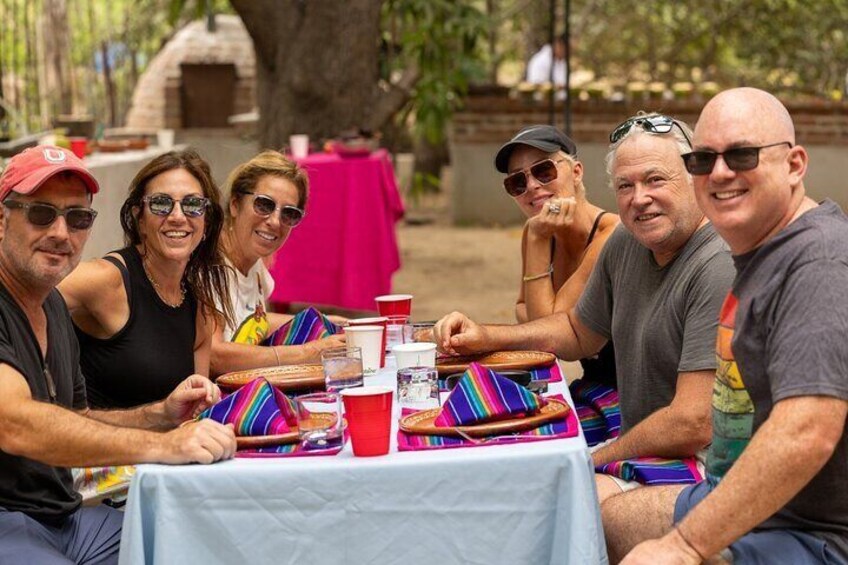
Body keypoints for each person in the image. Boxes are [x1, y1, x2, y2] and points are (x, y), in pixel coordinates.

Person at [434, 114, 734, 502]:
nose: (639, 197)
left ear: (696, 178)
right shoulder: (629, 239)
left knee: (557, 497)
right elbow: (576, 333)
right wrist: (485, 337)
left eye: (655, 179)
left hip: (709, 464)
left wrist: (594, 456)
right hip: (646, 439)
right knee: (502, 458)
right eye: (626, 185)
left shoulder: (718, 263)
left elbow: (694, 423)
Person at [607, 89, 848, 564]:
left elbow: (808, 431)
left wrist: (684, 546)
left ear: (795, 165)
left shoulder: (819, 262)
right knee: (602, 516)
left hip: (814, 532)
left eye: (742, 155)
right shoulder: (761, 250)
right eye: (703, 159)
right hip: (743, 495)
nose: (720, 172)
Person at [0, 146, 235, 564]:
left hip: (66, 517)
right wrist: (162, 445)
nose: (60, 232)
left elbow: (80, 417)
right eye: (40, 213)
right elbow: (13, 423)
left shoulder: (51, 304)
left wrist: (161, 414)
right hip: (10, 519)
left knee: (200, 544)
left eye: (77, 218)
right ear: (2, 219)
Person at [58, 149, 233, 407]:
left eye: (193, 205)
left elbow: (195, 411)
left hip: (166, 444)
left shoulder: (200, 312)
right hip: (95, 444)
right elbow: (21, 291)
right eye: (161, 203)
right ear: (140, 219)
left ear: (206, 222)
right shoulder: (108, 280)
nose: (177, 216)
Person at [495, 125, 619, 386]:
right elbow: (521, 309)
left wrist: (538, 241)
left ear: (576, 172)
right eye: (517, 182)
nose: (531, 186)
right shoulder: (537, 229)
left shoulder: (611, 235)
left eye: (544, 171)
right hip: (592, 381)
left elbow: (545, 336)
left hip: (628, 392)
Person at [211, 150, 345, 375]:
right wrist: (306, 352)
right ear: (235, 204)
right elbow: (214, 355)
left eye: (289, 214)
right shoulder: (210, 267)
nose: (274, 221)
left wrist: (324, 322)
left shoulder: (254, 266)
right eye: (264, 205)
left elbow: (252, 321)